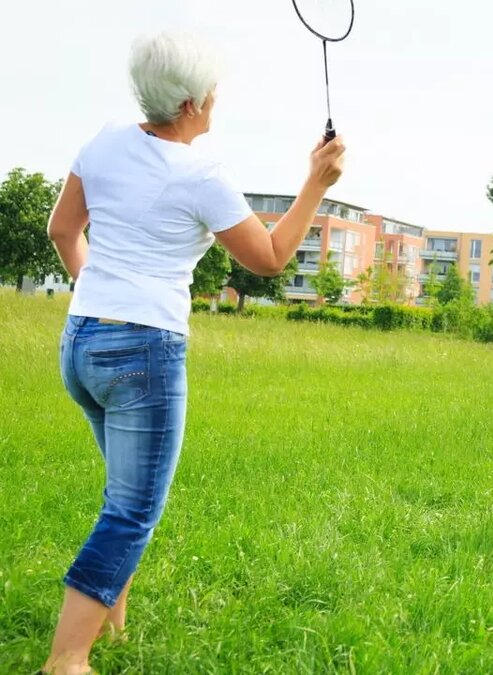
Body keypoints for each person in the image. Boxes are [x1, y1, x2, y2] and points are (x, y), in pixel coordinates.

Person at [42, 31, 345, 674]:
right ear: (189, 106)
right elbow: (268, 258)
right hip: (141, 353)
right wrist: (316, 183)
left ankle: (110, 627)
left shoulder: (102, 142)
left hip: (81, 342)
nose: (216, 100)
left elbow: (63, 230)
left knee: (122, 498)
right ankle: (67, 660)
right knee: (131, 511)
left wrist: (101, 295)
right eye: (210, 93)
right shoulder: (201, 177)